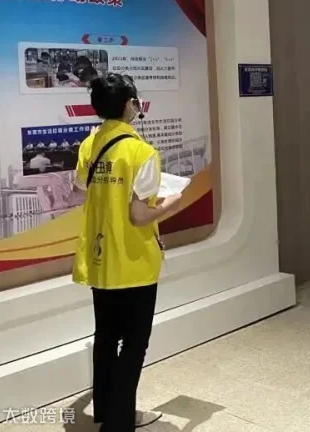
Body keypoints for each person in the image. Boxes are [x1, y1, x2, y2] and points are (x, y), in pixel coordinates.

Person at [73, 74, 183, 431]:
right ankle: (120, 422)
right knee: (134, 345)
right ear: (128, 104)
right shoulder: (141, 152)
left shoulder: (90, 144)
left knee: (106, 337)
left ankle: (106, 411)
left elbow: (80, 188)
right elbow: (139, 215)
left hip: (100, 257)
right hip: (134, 261)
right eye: (136, 101)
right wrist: (171, 202)